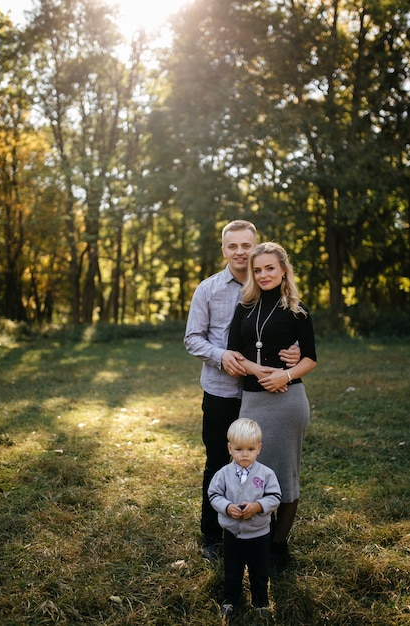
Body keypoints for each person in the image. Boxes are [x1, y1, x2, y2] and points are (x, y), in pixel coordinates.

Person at [184, 221, 300, 560]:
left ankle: (265, 537)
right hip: (221, 391)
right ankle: (213, 536)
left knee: (264, 466)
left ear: (254, 247)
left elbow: (290, 325)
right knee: (219, 461)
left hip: (263, 395)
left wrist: (293, 348)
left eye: (246, 245)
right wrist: (221, 356)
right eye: (232, 246)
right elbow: (192, 338)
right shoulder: (208, 289)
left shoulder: (269, 286)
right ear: (224, 250)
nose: (239, 252)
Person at [227, 241, 317, 576]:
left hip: (288, 402)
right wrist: (258, 370)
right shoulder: (245, 307)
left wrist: (286, 375)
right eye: (258, 269)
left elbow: (311, 357)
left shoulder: (297, 308)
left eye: (270, 268)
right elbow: (234, 353)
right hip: (252, 401)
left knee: (285, 477)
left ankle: (279, 546)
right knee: (252, 477)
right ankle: (259, 537)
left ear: (282, 270)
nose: (264, 275)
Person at [208, 418, 281, 623]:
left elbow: (274, 497)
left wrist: (258, 507)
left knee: (260, 570)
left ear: (259, 448)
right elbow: (214, 495)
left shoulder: (266, 474)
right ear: (230, 448)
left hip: (259, 534)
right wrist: (226, 507)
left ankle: (260, 602)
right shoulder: (223, 474)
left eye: (250, 449)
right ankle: (230, 600)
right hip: (233, 533)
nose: (245, 454)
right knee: (232, 569)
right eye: (239, 449)